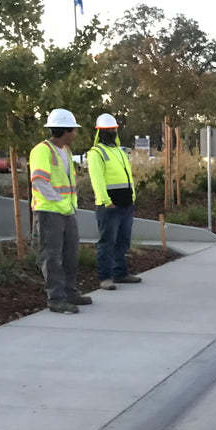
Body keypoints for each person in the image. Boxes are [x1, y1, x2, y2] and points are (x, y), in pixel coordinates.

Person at [30, 109, 92, 314]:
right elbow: (40, 182)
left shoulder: (65, 151)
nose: (75, 133)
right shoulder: (42, 150)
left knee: (70, 253)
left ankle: (70, 292)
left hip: (66, 211)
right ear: (65, 130)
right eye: (73, 129)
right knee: (52, 256)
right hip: (49, 212)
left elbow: (67, 182)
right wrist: (61, 203)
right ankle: (56, 299)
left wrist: (69, 206)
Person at [87, 113, 141, 290]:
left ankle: (121, 273)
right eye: (107, 130)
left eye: (113, 129)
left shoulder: (120, 152)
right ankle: (105, 278)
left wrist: (132, 197)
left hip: (126, 203)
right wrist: (105, 200)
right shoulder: (96, 153)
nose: (111, 132)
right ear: (100, 132)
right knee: (107, 242)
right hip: (109, 205)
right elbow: (97, 179)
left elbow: (128, 177)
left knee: (123, 241)